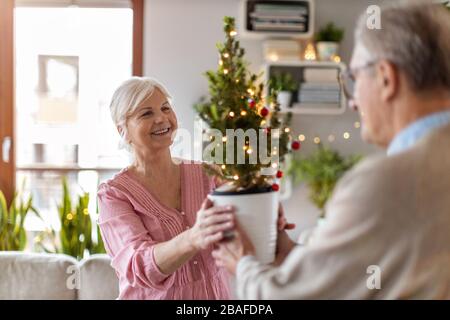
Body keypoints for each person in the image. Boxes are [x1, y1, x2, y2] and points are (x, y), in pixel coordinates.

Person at [212, 1, 450, 299]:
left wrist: (242, 262)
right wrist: (293, 255)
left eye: (354, 78)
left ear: (387, 78)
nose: (353, 100)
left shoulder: (386, 182)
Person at [97, 77, 237, 299]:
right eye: (146, 113)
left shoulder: (208, 174)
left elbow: (243, 218)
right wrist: (194, 237)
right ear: (122, 130)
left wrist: (265, 214)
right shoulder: (114, 194)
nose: (162, 118)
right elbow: (138, 265)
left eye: (165, 108)